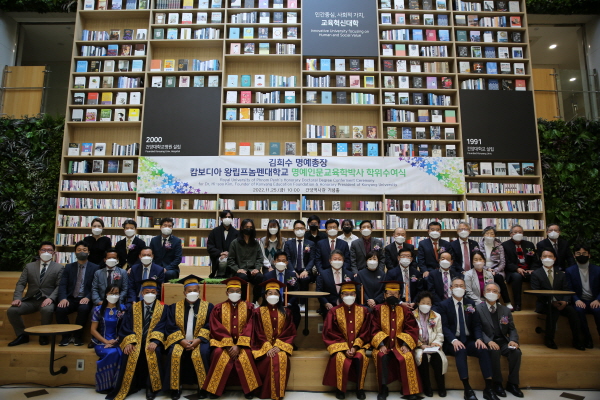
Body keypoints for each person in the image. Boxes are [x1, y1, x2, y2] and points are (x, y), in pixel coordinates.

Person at [434, 277, 497, 400]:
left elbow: (476, 324)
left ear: (465, 288)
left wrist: (479, 338)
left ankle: (489, 388)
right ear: (451, 288)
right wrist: (453, 340)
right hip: (452, 341)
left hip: (468, 340)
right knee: (460, 350)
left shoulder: (470, 304)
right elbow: (444, 327)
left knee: (483, 349)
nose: (459, 288)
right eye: (456, 285)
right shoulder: (444, 305)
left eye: (461, 286)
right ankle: (467, 389)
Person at [107, 279, 167, 400]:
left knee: (154, 352)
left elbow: (164, 326)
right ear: (142, 293)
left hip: (153, 341)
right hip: (136, 340)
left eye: (153, 292)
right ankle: (129, 386)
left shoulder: (163, 308)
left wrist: (155, 341)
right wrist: (130, 342)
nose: (150, 294)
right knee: (130, 351)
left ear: (157, 293)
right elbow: (126, 327)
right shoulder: (133, 308)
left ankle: (151, 388)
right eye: (147, 292)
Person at [202, 277, 261, 399]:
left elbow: (251, 326)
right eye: (232, 291)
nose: (235, 293)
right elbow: (216, 328)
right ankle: (215, 389)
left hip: (243, 344)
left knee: (246, 354)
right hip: (223, 345)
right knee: (218, 353)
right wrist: (229, 345)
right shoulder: (218, 308)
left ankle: (249, 389)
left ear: (241, 292)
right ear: (227, 292)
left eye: (237, 291)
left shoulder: (249, 308)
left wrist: (239, 345)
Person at [163, 275, 214, 400]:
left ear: (199, 291)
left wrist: (198, 340)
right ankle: (175, 388)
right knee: (174, 353)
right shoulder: (174, 307)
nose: (192, 293)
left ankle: (202, 387)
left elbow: (210, 325)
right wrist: (181, 341)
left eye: (195, 290)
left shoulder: (208, 307)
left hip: (200, 341)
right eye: (189, 291)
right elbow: (170, 326)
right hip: (180, 340)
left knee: (203, 353)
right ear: (184, 292)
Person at [371, 281, 423, 400]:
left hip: (399, 345)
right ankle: (383, 388)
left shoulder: (405, 310)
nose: (392, 296)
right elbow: (373, 328)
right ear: (384, 295)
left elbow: (411, 328)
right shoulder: (378, 309)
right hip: (384, 345)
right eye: (389, 294)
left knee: (408, 356)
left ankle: (409, 390)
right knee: (381, 356)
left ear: (399, 296)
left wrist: (406, 344)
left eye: (395, 294)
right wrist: (381, 344)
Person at [322, 281, 371, 400]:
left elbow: (366, 331)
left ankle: (359, 388)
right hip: (340, 346)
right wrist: (344, 348)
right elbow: (330, 332)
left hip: (358, 346)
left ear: (356, 295)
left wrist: (355, 347)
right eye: (346, 294)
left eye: (352, 294)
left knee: (361, 357)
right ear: (341, 295)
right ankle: (340, 389)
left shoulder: (364, 311)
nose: (349, 296)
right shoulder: (334, 311)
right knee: (339, 358)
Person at [7, 241, 63, 346]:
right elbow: (21, 283)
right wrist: (17, 298)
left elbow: (59, 286)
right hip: (30, 300)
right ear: (39, 251)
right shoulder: (29, 266)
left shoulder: (59, 268)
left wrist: (51, 298)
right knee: (12, 310)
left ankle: (44, 335)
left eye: (49, 250)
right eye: (43, 250)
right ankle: (22, 335)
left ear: (54, 253)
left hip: (47, 300)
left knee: (47, 310)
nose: (46, 252)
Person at [250, 279, 297, 400]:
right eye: (270, 293)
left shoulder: (286, 312)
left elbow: (289, 331)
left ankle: (278, 393)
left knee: (281, 357)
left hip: (280, 347)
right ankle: (266, 391)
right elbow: (257, 332)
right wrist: (268, 347)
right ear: (265, 295)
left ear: (279, 296)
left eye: (275, 293)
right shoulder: (257, 312)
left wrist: (278, 346)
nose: (273, 296)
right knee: (269, 359)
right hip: (262, 348)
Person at [476, 283, 523, 398]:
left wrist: (513, 340)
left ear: (499, 295)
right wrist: (488, 341)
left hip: (503, 341)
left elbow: (512, 329)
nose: (491, 293)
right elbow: (477, 329)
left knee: (516, 352)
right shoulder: (478, 309)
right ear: (484, 293)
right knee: (494, 352)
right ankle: (497, 383)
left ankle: (512, 383)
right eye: (488, 290)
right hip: (489, 341)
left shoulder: (505, 310)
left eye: (494, 291)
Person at [531, 250, 583, 350]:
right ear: (541, 258)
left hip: (561, 302)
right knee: (553, 311)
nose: (547, 258)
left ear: (554, 258)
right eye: (545, 256)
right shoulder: (536, 274)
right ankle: (549, 339)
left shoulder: (561, 274)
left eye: (550, 256)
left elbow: (566, 289)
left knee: (573, 312)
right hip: (545, 303)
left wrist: (565, 301)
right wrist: (550, 302)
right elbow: (536, 292)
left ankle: (577, 340)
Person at [56, 240, 100, 346]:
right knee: (60, 309)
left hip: (85, 298)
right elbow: (63, 284)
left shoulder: (95, 268)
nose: (82, 252)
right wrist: (63, 298)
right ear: (75, 252)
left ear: (88, 252)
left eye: (84, 250)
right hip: (70, 298)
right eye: (79, 250)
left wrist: (88, 297)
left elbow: (96, 286)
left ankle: (77, 336)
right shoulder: (68, 267)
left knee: (84, 309)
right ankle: (66, 336)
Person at [91, 284, 127, 394]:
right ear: (106, 294)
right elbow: (93, 330)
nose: (114, 295)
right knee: (111, 353)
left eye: (116, 293)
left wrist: (116, 340)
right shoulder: (98, 310)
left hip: (118, 341)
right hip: (101, 342)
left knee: (122, 353)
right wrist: (106, 341)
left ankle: (117, 385)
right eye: (111, 293)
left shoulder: (123, 309)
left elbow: (125, 328)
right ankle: (104, 385)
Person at [412, 291, 447, 398]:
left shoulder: (437, 316)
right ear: (418, 303)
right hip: (419, 346)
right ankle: (427, 387)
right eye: (423, 302)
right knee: (422, 358)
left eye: (428, 303)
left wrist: (435, 344)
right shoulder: (411, 316)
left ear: (431, 304)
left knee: (438, 358)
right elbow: (411, 334)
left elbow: (440, 333)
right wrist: (421, 345)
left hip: (433, 346)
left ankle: (441, 387)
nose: (426, 305)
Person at [566, 244, 600, 349]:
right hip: (580, 300)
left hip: (595, 300)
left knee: (598, 311)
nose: (581, 255)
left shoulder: (598, 270)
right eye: (578, 253)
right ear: (574, 256)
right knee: (578, 311)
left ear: (589, 255)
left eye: (584, 253)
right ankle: (587, 339)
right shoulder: (569, 271)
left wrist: (598, 300)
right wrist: (576, 300)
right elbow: (569, 288)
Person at [227, 218, 264, 302]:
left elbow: (260, 258)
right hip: (240, 271)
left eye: (251, 227)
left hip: (252, 271)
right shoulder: (235, 243)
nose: (249, 229)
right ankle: (243, 301)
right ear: (242, 228)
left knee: (260, 277)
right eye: (247, 227)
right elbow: (230, 260)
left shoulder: (256, 243)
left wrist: (257, 269)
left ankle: (255, 301)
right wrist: (237, 269)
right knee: (242, 278)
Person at [502, 224, 537, 311]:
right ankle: (517, 304)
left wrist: (532, 269)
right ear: (511, 234)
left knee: (538, 275)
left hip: (528, 270)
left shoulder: (529, 245)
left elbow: (534, 259)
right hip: (513, 271)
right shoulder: (505, 245)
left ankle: (540, 303)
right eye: (515, 232)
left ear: (523, 233)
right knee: (517, 277)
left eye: (520, 232)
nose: (518, 234)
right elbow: (506, 262)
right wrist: (516, 269)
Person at [478, 226, 512, 310]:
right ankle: (497, 302)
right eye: (487, 233)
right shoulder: (478, 245)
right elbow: (478, 260)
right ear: (483, 235)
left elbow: (502, 262)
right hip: (483, 268)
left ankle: (507, 302)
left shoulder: (499, 246)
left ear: (495, 235)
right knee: (490, 278)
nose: (489, 235)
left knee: (498, 277)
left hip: (497, 269)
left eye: (492, 234)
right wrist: (487, 269)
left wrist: (496, 270)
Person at [263, 251, 301, 328]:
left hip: (289, 304)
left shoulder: (292, 275)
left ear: (287, 263)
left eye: (283, 261)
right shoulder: (268, 276)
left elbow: (296, 291)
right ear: (274, 262)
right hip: (271, 304)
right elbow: (262, 292)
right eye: (278, 260)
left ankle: (290, 334)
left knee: (296, 315)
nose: (281, 263)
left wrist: (289, 303)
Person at [283, 220, 314, 311]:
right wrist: (292, 271)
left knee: (305, 279)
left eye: (301, 228)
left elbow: (312, 259)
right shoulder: (288, 243)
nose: (299, 230)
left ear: (305, 229)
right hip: (292, 269)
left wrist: (306, 270)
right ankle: (292, 303)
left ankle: (303, 303)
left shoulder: (310, 243)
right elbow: (287, 258)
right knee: (292, 280)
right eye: (297, 228)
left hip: (305, 269)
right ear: (293, 230)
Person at [316, 249, 351, 315]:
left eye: (339, 259)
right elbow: (319, 291)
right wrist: (326, 303)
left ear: (343, 260)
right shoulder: (323, 274)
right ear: (330, 261)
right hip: (328, 307)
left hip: (346, 306)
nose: (337, 261)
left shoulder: (349, 274)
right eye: (335, 259)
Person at [207, 210, 239, 278]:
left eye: (229, 217)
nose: (227, 219)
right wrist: (220, 253)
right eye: (225, 217)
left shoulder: (237, 233)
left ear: (232, 219)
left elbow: (239, 248)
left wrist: (229, 254)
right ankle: (219, 275)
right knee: (223, 260)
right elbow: (210, 247)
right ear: (221, 219)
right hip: (218, 257)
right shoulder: (214, 232)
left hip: (232, 258)